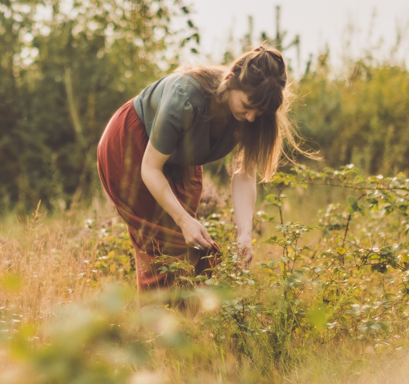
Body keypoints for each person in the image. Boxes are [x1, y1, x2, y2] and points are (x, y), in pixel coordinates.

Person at [95, 44, 296, 290]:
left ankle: (187, 323)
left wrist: (245, 234)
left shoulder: (252, 116)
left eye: (259, 112)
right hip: (131, 146)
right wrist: (184, 220)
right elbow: (150, 169)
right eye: (247, 105)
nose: (252, 117)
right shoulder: (184, 97)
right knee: (165, 245)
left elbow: (244, 174)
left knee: (194, 249)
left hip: (180, 159)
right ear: (231, 79)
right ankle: (156, 326)